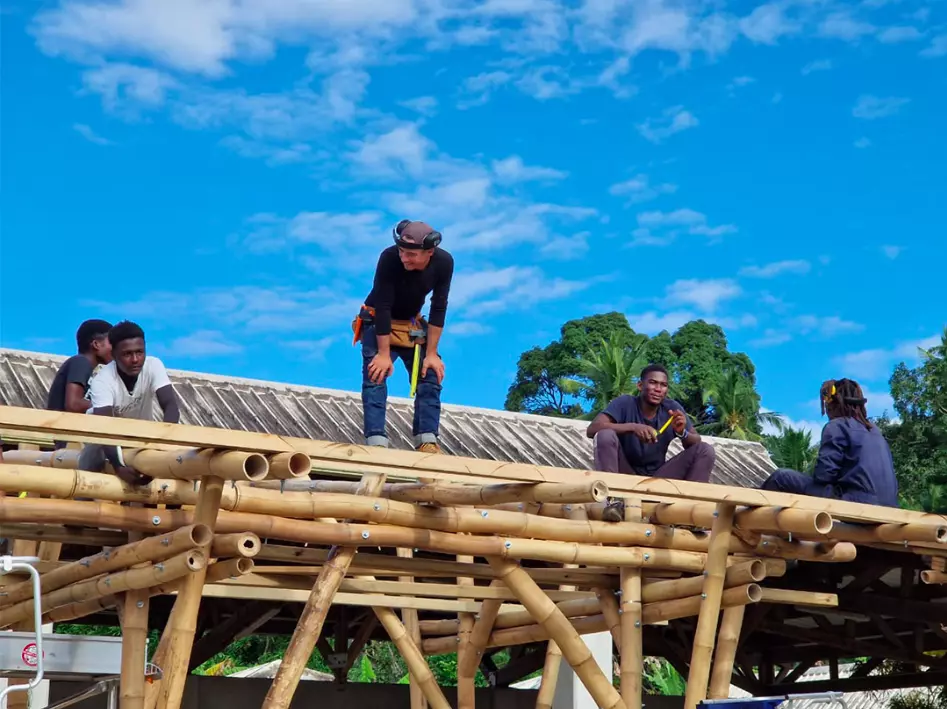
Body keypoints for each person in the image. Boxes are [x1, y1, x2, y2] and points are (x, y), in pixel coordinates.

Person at [352, 219, 454, 453]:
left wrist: (431, 354)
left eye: (411, 254)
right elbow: (383, 305)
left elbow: (439, 306)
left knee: (430, 374)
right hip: (379, 320)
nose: (404, 258)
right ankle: (376, 440)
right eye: (401, 251)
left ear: (429, 252)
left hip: (411, 324)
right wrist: (384, 354)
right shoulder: (389, 258)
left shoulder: (444, 262)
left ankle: (427, 439)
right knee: (376, 374)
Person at [587, 364, 716, 522]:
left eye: (663, 385)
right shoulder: (625, 403)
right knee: (605, 434)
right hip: (624, 477)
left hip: (657, 480)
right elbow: (593, 429)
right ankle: (612, 501)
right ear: (640, 385)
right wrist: (633, 427)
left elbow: (695, 441)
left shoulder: (672, 409)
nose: (658, 389)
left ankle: (689, 512)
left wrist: (682, 432)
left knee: (705, 450)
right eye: (653, 383)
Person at [760, 378, 899, 507]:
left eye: (827, 407)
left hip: (855, 503)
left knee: (781, 477)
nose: (827, 412)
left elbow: (824, 475)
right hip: (889, 506)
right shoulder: (875, 431)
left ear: (833, 405)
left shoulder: (837, 426)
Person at [79, 320, 181, 486]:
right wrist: (118, 466)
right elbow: (104, 428)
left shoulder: (153, 365)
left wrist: (161, 447)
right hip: (105, 439)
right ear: (114, 354)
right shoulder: (102, 380)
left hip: (141, 436)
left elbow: (170, 406)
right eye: (127, 354)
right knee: (91, 459)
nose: (135, 359)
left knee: (179, 462)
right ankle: (82, 500)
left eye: (139, 352)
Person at [46, 319, 113, 446]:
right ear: (96, 344)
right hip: (69, 444)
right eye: (112, 343)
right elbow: (73, 404)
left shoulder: (85, 366)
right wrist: (111, 407)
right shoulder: (81, 362)